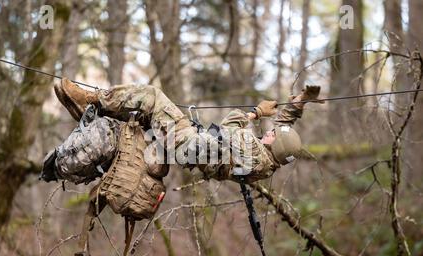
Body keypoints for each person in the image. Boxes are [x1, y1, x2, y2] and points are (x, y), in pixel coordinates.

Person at [54, 79, 323, 184]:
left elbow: (230, 125)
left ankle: (92, 99)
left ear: (274, 147)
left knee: (151, 96)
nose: (270, 133)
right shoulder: (268, 162)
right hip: (190, 147)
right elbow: (285, 127)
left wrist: (255, 112)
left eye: (273, 136)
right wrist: (300, 101)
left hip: (185, 143)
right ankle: (94, 114)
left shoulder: (253, 151)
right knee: (141, 117)